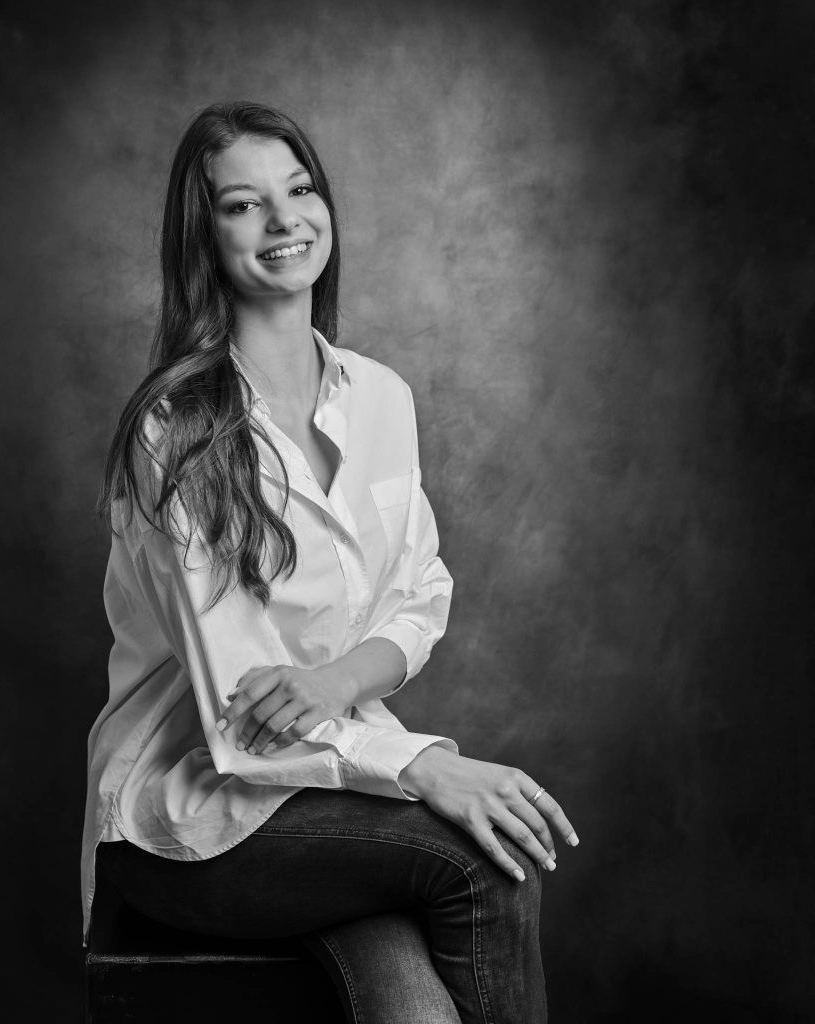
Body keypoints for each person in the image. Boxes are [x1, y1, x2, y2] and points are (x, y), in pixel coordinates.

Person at [82, 100, 579, 1024]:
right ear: (203, 238)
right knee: (482, 857)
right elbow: (244, 728)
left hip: (327, 798)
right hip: (190, 821)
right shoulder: (174, 431)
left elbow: (420, 597)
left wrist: (335, 682)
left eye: (300, 189)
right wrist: (423, 767)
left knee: (414, 1010)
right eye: (243, 204)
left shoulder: (382, 397)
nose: (285, 219)